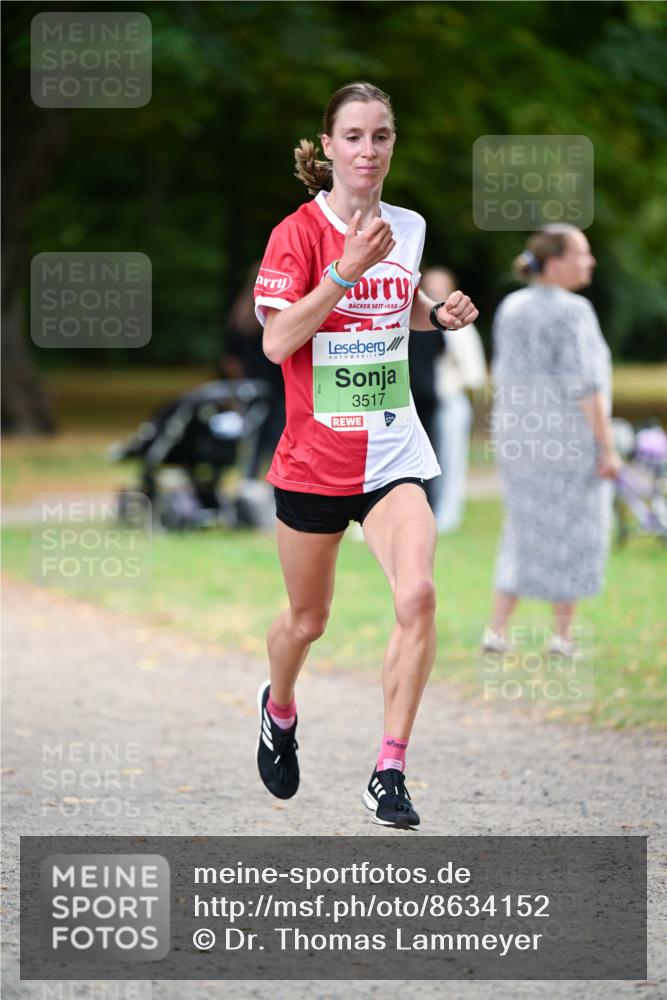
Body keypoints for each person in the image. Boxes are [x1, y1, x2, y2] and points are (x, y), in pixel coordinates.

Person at [253, 81, 478, 830]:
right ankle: (279, 708)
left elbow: (397, 302)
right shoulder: (296, 233)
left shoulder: (406, 226)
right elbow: (278, 341)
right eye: (352, 136)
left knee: (416, 595)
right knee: (306, 622)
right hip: (315, 460)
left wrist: (435, 315)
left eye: (380, 135)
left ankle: (389, 769)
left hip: (391, 451)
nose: (368, 150)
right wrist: (343, 270)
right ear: (326, 147)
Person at [483, 225, 621, 657]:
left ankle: (497, 631)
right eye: (582, 253)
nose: (590, 261)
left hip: (520, 440)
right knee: (574, 531)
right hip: (568, 441)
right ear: (556, 262)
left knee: (522, 530)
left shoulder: (511, 306)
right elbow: (586, 384)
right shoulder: (573, 311)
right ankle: (562, 636)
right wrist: (608, 446)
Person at [425, 267, 487, 532]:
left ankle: (447, 516)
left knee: (450, 458)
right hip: (423, 402)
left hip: (450, 401)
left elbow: (475, 374)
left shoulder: (462, 329)